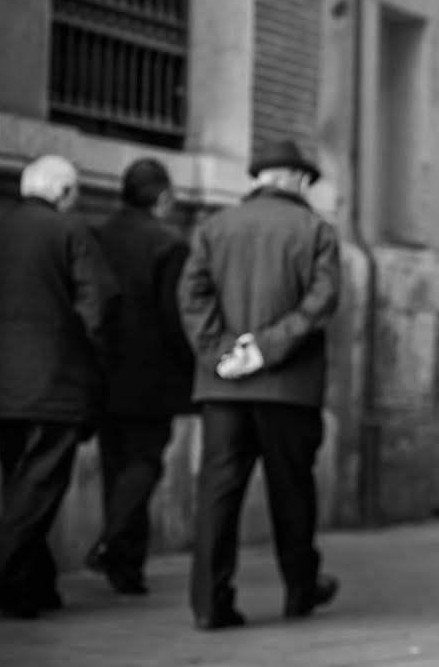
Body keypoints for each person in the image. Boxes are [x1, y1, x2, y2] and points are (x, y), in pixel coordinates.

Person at [179, 139, 342, 631]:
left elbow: (191, 295)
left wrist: (222, 352)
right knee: (291, 491)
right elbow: (321, 302)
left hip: (223, 387)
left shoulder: (213, 227)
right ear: (292, 178)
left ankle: (210, 602)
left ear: (258, 179)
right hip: (287, 388)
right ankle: (299, 589)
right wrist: (265, 348)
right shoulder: (316, 230)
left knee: (217, 494)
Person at [0, 154, 108, 619]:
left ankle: (32, 588)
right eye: (74, 192)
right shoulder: (72, 232)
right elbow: (99, 307)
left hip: (1, 385)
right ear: (63, 192)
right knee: (39, 486)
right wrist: (89, 365)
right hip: (56, 383)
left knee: (21, 482)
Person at [85, 158, 194, 595]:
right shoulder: (168, 246)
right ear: (163, 197)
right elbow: (175, 317)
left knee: (117, 465)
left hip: (105, 369)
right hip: (152, 375)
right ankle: (114, 543)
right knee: (146, 462)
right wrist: (192, 368)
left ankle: (127, 567)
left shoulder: (96, 237)